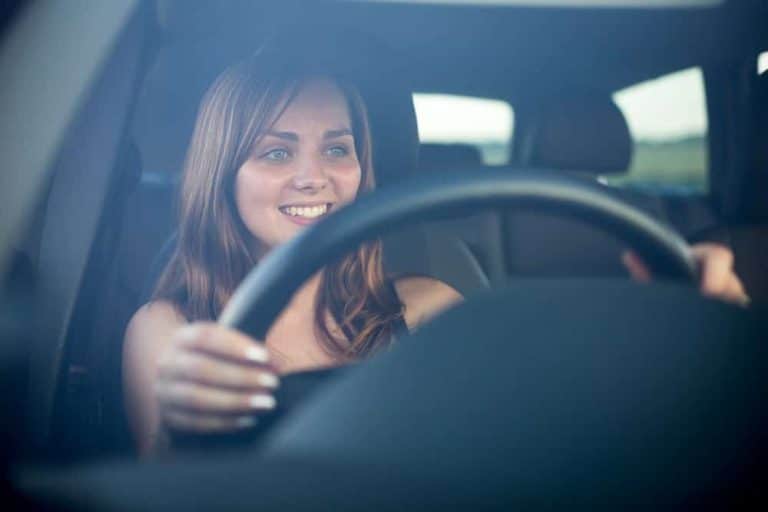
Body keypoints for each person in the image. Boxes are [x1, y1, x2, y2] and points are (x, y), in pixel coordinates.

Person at [122, 50, 748, 457]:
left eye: (338, 149)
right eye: (277, 152)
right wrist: (182, 428)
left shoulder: (427, 305)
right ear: (221, 174)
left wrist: (689, 338)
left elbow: (540, 429)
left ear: (363, 168)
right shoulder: (171, 331)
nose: (314, 176)